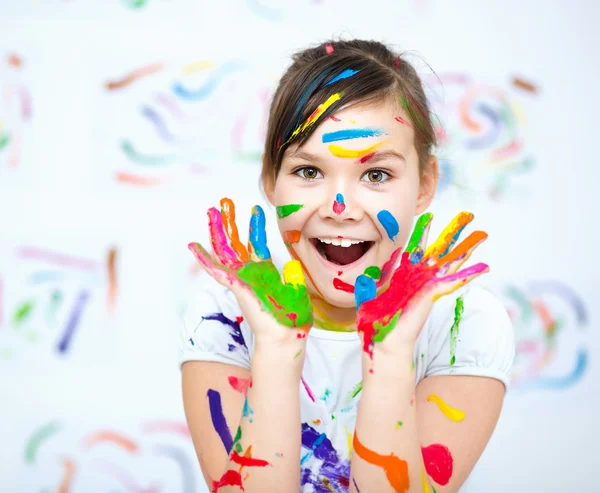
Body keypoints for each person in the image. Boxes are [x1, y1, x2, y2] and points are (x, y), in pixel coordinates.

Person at [179, 39, 515, 493]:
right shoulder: (225, 313)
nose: (341, 208)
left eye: (376, 175)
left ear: (424, 184)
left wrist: (392, 356)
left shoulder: (463, 325)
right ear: (270, 180)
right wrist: (277, 349)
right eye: (309, 172)